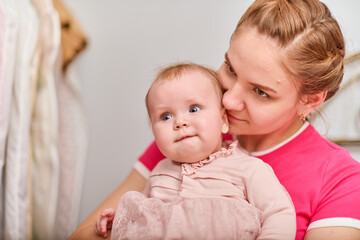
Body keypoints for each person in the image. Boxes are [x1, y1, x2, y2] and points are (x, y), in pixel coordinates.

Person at [69, 0, 360, 239]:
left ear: (310, 100)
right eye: (231, 68)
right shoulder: (189, 138)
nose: (229, 100)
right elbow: (84, 234)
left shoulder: (342, 181)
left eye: (260, 92)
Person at [94, 63, 296, 240]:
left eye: (193, 109)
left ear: (223, 120)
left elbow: (279, 213)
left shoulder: (248, 168)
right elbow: (144, 216)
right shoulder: (158, 172)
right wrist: (120, 219)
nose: (180, 122)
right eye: (165, 117)